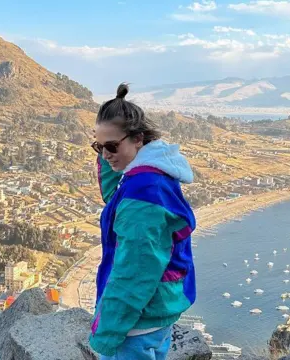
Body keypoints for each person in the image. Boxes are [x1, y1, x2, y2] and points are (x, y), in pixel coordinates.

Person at [89, 83, 197, 360]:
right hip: (156, 309)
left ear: (138, 139)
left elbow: (135, 271)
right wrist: (112, 154)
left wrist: (107, 333)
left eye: (111, 146)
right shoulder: (149, 175)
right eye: (98, 147)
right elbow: (115, 195)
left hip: (137, 322)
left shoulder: (144, 196)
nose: (105, 154)